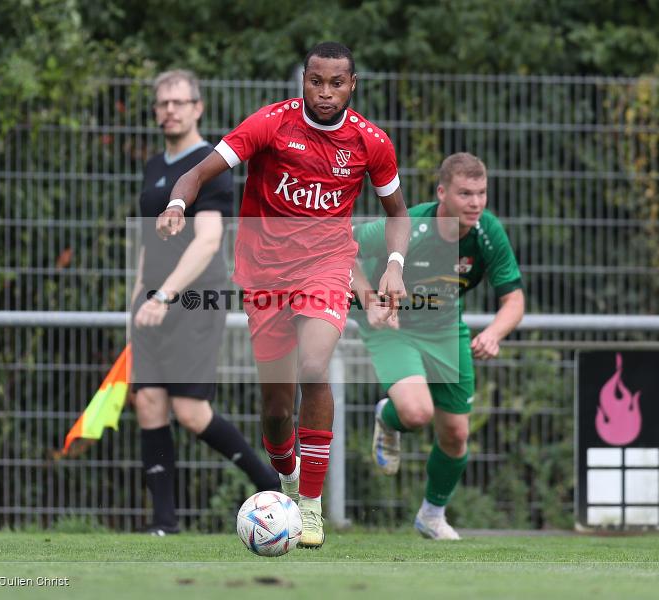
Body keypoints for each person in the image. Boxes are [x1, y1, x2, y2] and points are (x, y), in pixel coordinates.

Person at [155, 42, 411, 548]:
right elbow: (201, 170)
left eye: (336, 83)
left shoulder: (370, 143)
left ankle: (311, 508)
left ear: (352, 86)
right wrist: (177, 202)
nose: (324, 92)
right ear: (304, 81)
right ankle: (288, 478)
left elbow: (397, 213)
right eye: (316, 81)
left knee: (314, 368)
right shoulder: (271, 124)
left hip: (327, 265)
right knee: (275, 411)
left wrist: (395, 267)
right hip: (264, 274)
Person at [131, 69, 279, 536]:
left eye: (179, 102)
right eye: (163, 103)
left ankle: (273, 487)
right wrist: (136, 297)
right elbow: (145, 244)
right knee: (148, 402)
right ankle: (163, 527)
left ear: (198, 107)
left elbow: (208, 240)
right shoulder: (155, 167)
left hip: (193, 298)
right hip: (151, 302)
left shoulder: (209, 165)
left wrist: (165, 294)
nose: (170, 110)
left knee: (191, 412)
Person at [351, 152, 525, 540]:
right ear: (442, 192)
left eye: (481, 193)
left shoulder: (487, 233)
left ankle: (431, 515)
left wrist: (494, 333)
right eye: (466, 193)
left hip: (446, 330)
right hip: (392, 326)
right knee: (416, 413)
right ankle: (390, 416)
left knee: (456, 436)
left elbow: (513, 299)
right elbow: (342, 247)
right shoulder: (410, 226)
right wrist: (369, 298)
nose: (476, 203)